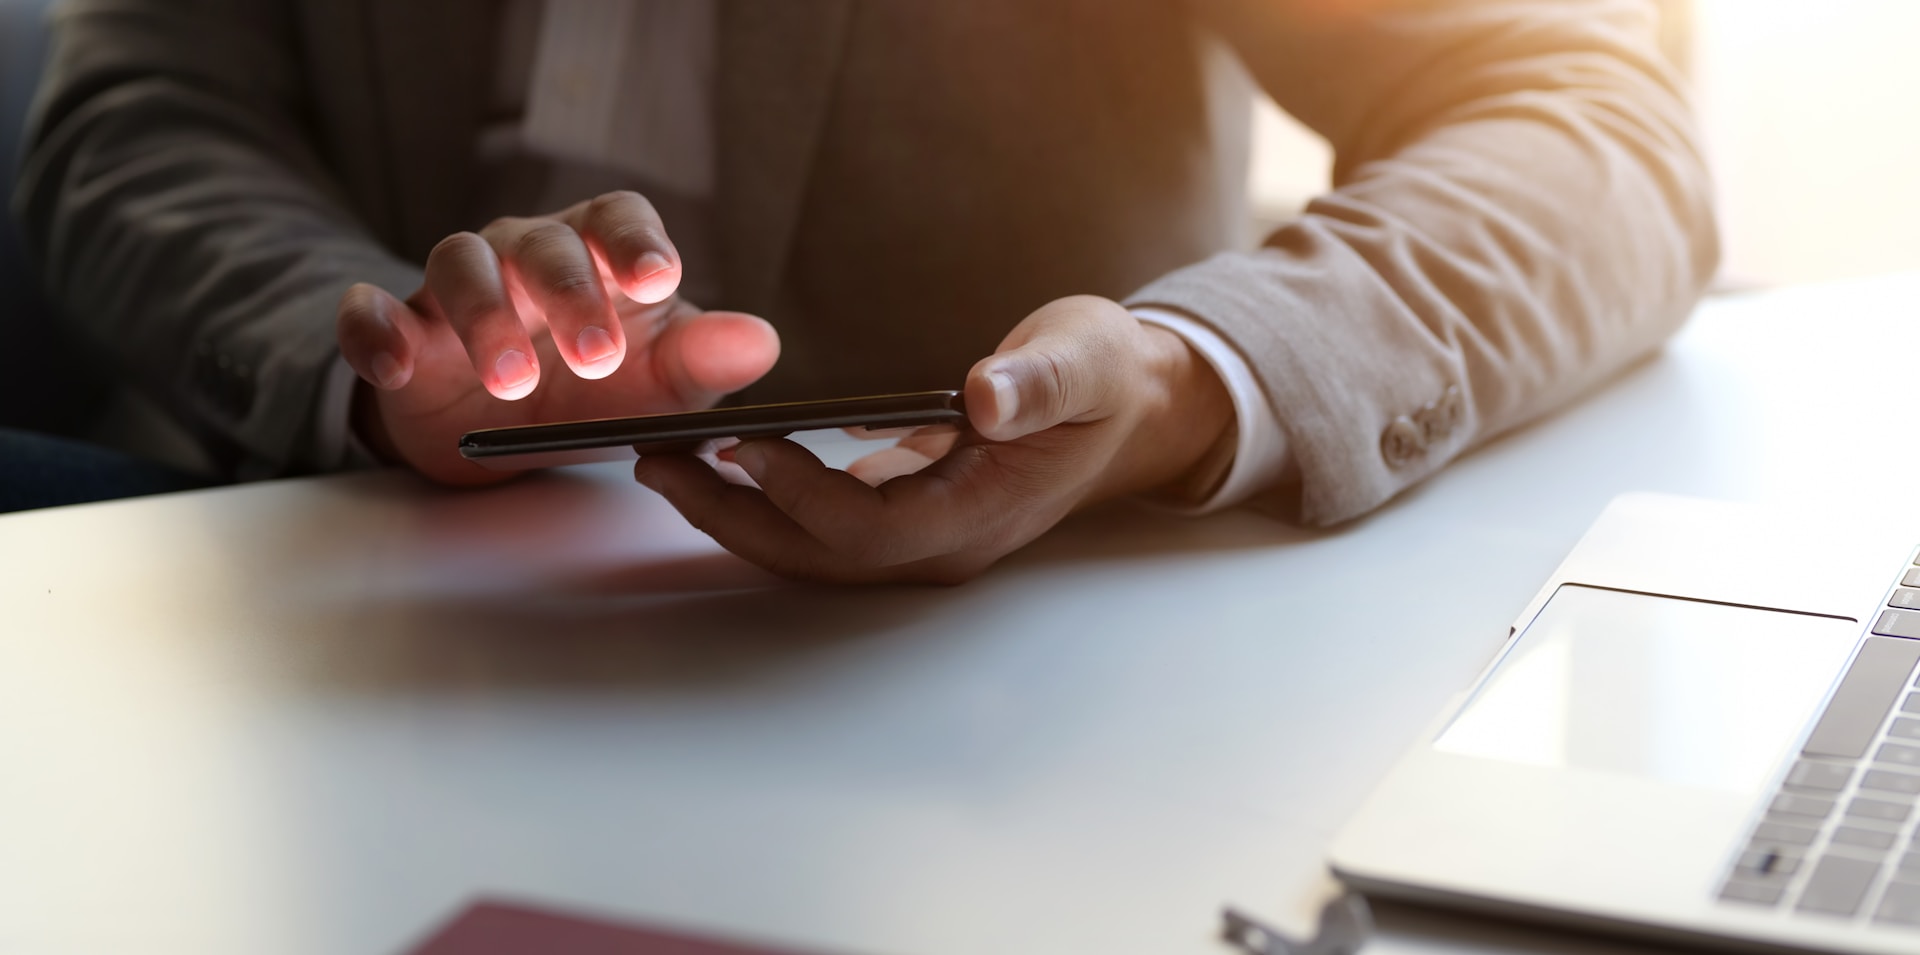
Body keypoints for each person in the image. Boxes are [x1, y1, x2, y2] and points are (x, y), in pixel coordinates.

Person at [14, 0, 1716, 582]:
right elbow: (140, 112)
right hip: (334, 581)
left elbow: (1592, 125)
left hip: (974, 674)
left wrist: (1181, 382)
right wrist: (377, 364)